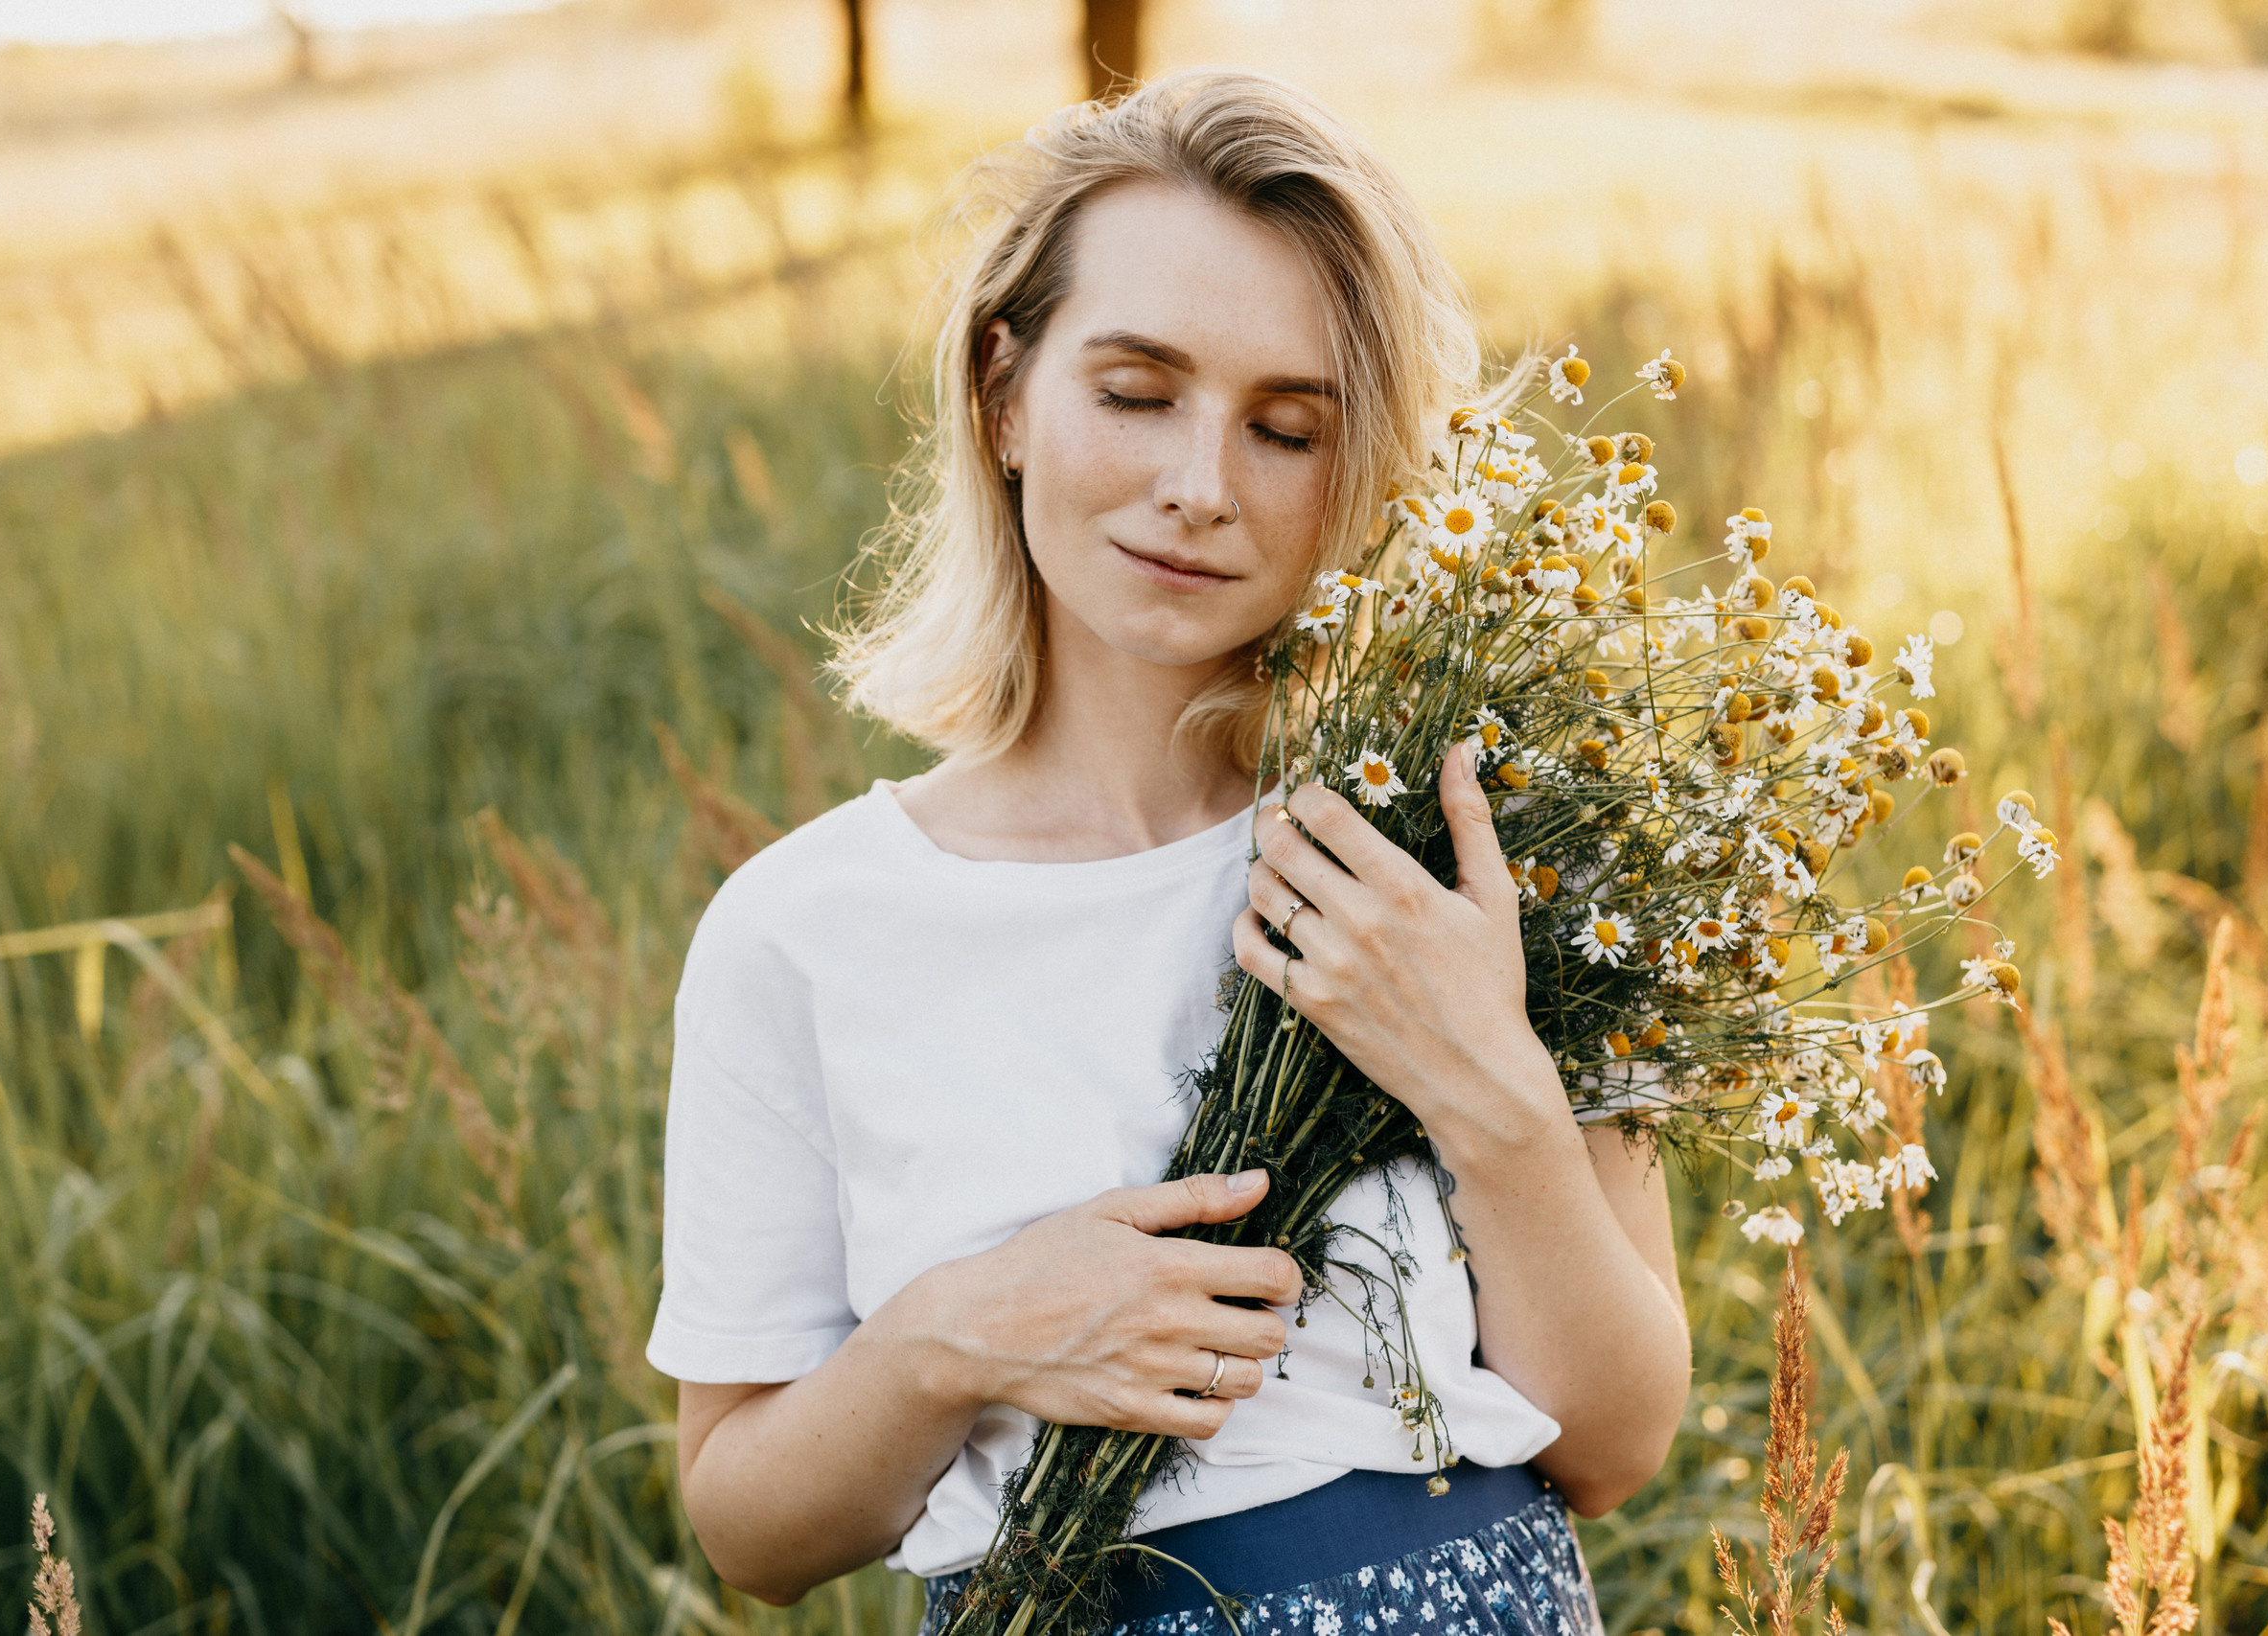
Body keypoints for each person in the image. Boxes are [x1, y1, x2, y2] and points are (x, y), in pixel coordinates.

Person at [649, 69, 1691, 1636]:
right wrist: (959, 1336)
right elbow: (750, 1526)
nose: (1200, 487)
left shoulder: (1466, 845)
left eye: (1285, 429)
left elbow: (1617, 1445)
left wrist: (1488, 1084)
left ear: (1362, 472)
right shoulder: (808, 929)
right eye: (1135, 394)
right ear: (1005, 391)